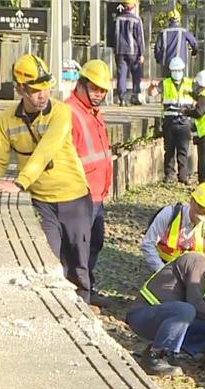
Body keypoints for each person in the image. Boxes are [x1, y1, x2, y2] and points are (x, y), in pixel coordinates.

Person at [0, 54, 93, 303]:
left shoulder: (61, 113)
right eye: (35, 90)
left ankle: (83, 306)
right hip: (41, 202)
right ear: (19, 89)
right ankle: (56, 304)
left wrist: (19, 183)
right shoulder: (6, 120)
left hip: (74, 198)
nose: (43, 95)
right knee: (49, 260)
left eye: (46, 88)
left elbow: (45, 151)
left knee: (79, 263)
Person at [127, 240, 205, 375]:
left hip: (158, 317)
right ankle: (156, 356)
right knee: (187, 310)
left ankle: (174, 352)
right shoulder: (198, 262)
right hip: (142, 315)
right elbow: (195, 303)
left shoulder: (202, 268)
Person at [66, 60, 114, 306]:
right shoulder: (69, 113)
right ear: (81, 84)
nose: (99, 95)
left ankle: (86, 287)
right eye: (95, 89)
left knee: (94, 243)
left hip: (96, 194)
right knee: (79, 248)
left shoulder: (93, 113)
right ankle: (78, 294)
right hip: (80, 195)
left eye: (102, 90)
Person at [140, 181, 205, 272]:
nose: (203, 212)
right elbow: (147, 244)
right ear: (192, 201)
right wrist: (161, 270)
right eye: (201, 207)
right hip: (163, 264)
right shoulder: (169, 214)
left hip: (190, 271)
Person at [147, 57, 195, 184]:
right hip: (170, 121)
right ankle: (169, 175)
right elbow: (152, 93)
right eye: (174, 70)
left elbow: (198, 97)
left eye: (179, 70)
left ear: (183, 70)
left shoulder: (190, 83)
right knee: (169, 150)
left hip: (184, 121)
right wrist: (151, 86)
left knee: (183, 150)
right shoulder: (165, 83)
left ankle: (183, 175)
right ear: (171, 71)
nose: (177, 73)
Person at [114, 0, 145, 106]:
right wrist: (142, 53)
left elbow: (114, 35)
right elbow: (140, 38)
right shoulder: (136, 20)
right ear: (133, 6)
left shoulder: (118, 19)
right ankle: (135, 96)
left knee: (121, 75)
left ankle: (122, 99)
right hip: (133, 52)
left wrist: (115, 49)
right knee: (136, 74)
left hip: (120, 51)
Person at [153, 9, 198, 76]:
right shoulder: (183, 32)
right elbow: (194, 43)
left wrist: (159, 59)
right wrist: (194, 52)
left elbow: (157, 48)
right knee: (180, 81)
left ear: (168, 20)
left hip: (166, 64)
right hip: (180, 64)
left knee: (166, 81)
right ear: (178, 20)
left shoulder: (162, 33)